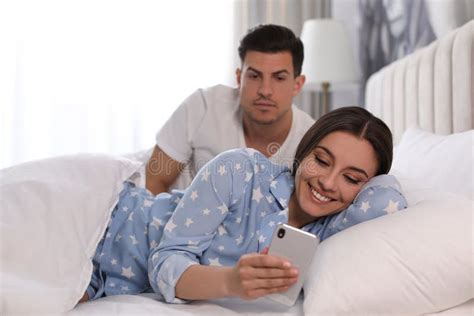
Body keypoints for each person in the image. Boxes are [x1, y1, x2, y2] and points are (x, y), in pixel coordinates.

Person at [78, 106, 408, 304]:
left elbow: (388, 199)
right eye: (321, 161)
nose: (328, 182)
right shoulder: (240, 170)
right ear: (304, 150)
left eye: (352, 178)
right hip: (104, 221)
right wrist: (230, 282)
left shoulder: (333, 231)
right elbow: (165, 261)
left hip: (107, 284)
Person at [145, 24, 315, 195]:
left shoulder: (312, 140)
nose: (265, 90)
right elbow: (154, 181)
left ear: (297, 84)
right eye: (254, 76)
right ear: (239, 78)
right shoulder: (203, 106)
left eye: (279, 78)